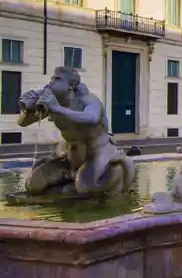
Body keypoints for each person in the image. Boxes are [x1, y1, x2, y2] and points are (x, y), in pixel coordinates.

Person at [17, 67, 134, 195]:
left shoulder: (87, 100)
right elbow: (23, 123)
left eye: (57, 79)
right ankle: (69, 176)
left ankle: (114, 175)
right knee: (33, 184)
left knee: (84, 188)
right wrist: (27, 111)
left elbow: (92, 117)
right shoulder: (52, 101)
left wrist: (57, 108)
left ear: (71, 85)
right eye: (51, 78)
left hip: (97, 153)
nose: (51, 82)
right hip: (71, 156)